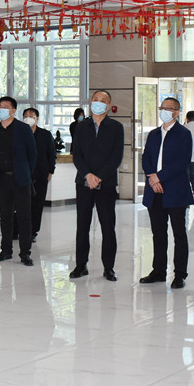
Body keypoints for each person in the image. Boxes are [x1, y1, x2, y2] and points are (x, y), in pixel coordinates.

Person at [139, 98, 194, 289]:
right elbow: (146, 157)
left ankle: (180, 274)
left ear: (177, 112)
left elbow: (182, 161)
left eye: (169, 109)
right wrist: (152, 177)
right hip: (154, 191)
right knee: (158, 233)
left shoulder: (184, 134)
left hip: (175, 190)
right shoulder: (154, 134)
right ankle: (158, 271)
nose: (165, 111)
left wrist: (159, 177)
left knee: (179, 234)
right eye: (162, 108)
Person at [70, 90, 124, 282]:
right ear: (91, 102)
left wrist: (98, 177)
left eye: (103, 101)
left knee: (108, 227)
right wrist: (88, 175)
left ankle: (108, 267)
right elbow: (77, 155)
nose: (98, 103)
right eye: (95, 99)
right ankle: (80, 265)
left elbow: (116, 157)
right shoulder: (81, 127)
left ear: (108, 106)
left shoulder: (116, 127)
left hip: (106, 183)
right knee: (82, 226)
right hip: (84, 182)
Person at [0, 97, 38, 266]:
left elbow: (32, 154)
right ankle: (6, 250)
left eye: (5, 107)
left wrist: (26, 173)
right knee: (5, 216)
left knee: (24, 217)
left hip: (21, 179)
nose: (1, 109)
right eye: (0, 107)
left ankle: (25, 253)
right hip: (2, 179)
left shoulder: (23, 129)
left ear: (13, 110)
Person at [22, 107, 56, 243]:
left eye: (31, 116)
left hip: (40, 174)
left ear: (37, 119)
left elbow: (51, 154)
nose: (28, 118)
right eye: (25, 115)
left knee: (37, 204)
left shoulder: (45, 134)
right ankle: (18, 229)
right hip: (23, 174)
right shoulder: (19, 133)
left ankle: (33, 231)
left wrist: (51, 170)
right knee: (21, 204)